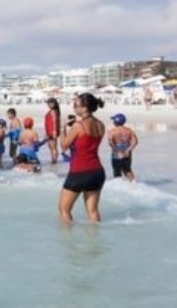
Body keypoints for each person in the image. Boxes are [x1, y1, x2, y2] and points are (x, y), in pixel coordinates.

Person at [58, 93, 107, 224]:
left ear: (85, 108)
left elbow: (64, 146)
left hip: (79, 171)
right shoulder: (101, 125)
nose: (74, 108)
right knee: (93, 211)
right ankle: (94, 242)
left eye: (76, 105)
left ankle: (67, 243)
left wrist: (62, 128)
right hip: (97, 171)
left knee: (64, 210)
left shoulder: (78, 126)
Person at [108, 113, 139, 182]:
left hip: (116, 153)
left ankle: (118, 186)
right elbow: (135, 142)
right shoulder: (129, 130)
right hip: (127, 152)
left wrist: (118, 151)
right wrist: (128, 150)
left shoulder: (112, 131)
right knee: (127, 170)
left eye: (113, 120)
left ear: (115, 122)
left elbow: (111, 143)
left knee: (117, 171)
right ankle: (134, 185)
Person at [44, 98, 63, 165]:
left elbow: (55, 121)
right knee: (51, 146)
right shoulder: (53, 111)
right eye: (49, 103)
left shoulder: (53, 111)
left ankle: (54, 160)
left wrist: (54, 131)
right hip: (49, 130)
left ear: (54, 104)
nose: (50, 104)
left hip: (52, 130)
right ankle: (53, 159)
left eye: (51, 103)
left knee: (53, 147)